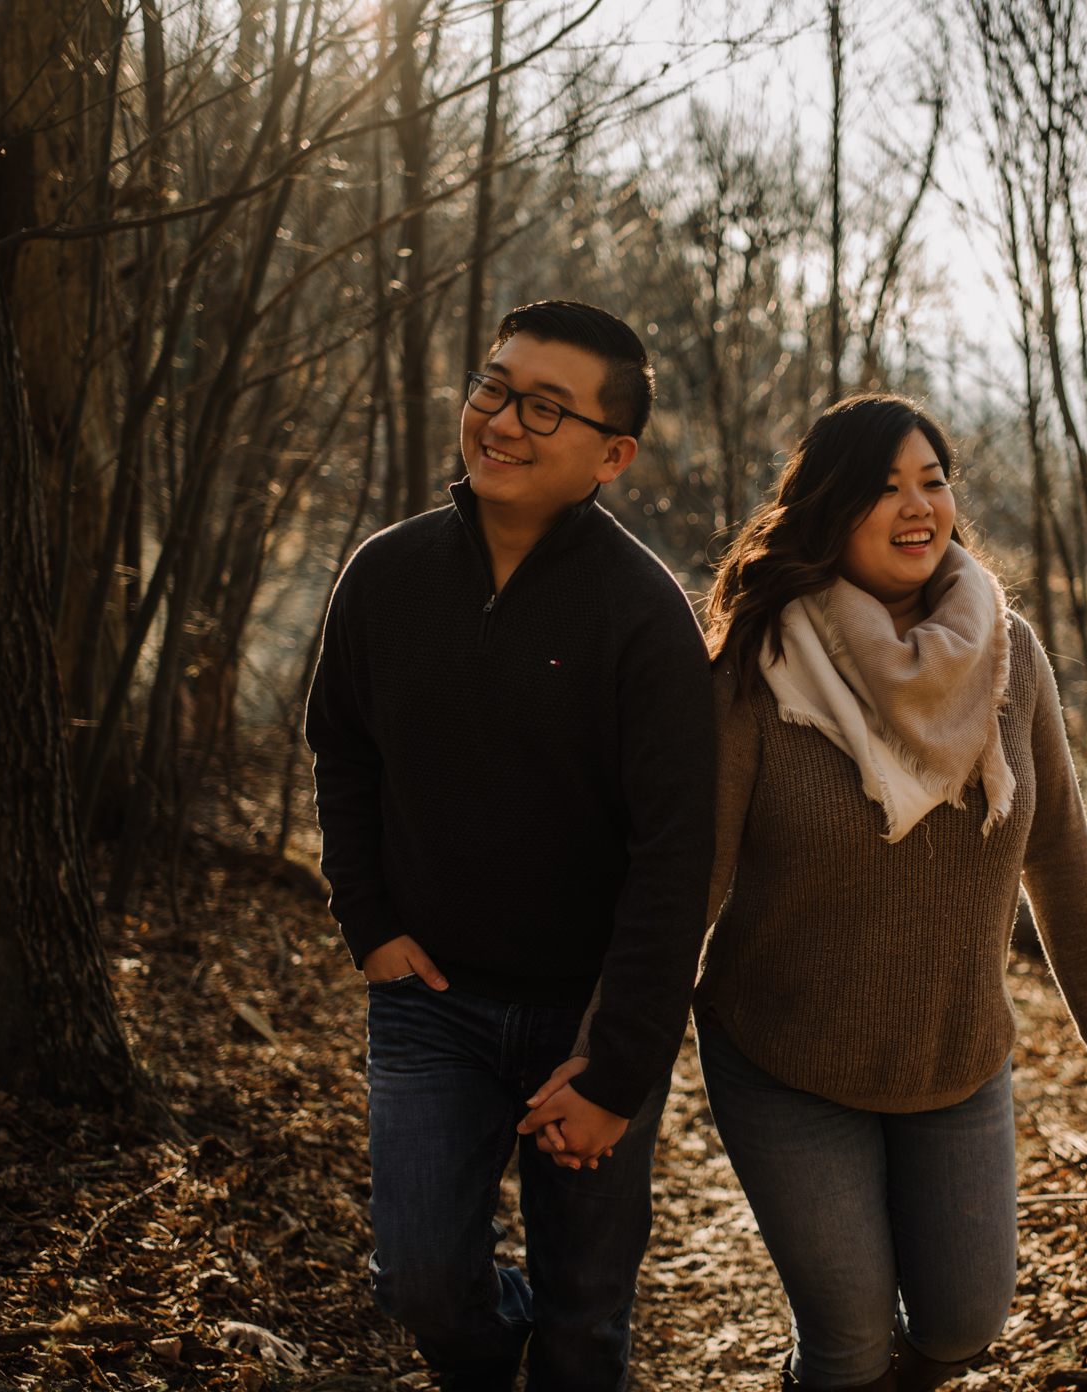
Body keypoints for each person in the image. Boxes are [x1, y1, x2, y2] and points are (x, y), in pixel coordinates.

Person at [305, 300, 716, 1392]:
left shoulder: (642, 615)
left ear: (612, 455)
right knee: (425, 1286)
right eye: (495, 387)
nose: (504, 419)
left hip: (586, 1019)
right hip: (430, 1002)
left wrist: (617, 1068)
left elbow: (675, 859)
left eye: (546, 407)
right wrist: (372, 925)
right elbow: (341, 753)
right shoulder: (386, 578)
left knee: (585, 1320)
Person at [695, 394, 1087, 1391]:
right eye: (882, 487)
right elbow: (692, 882)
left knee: (960, 1325)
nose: (917, 507)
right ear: (824, 507)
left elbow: (1060, 846)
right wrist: (611, 1044)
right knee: (849, 1347)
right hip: (782, 1055)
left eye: (932, 481)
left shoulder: (1006, 654)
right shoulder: (759, 665)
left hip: (954, 1053)